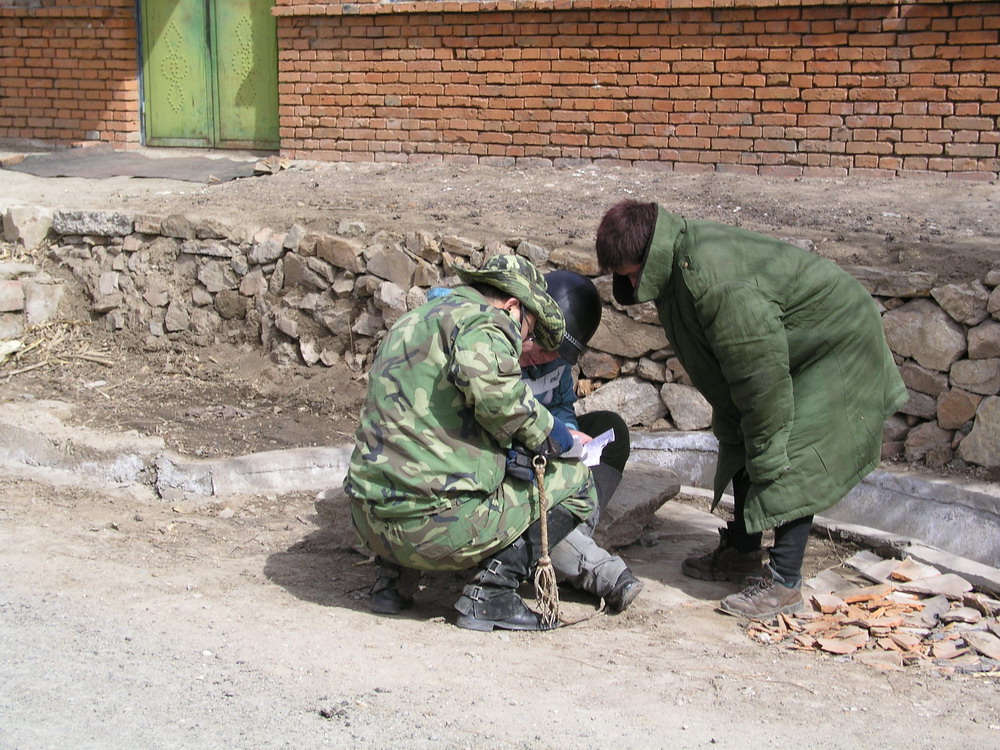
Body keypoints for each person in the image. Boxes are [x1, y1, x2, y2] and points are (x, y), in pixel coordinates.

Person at [595, 200, 908, 619]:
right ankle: (742, 552)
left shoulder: (717, 282)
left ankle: (783, 583)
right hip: (789, 342)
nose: (631, 284)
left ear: (647, 254)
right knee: (737, 427)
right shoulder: (677, 261)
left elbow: (761, 380)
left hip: (837, 341)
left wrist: (766, 442)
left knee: (786, 447)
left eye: (631, 274)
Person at [343, 254, 597, 632]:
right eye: (528, 332)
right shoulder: (486, 323)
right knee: (578, 483)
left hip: (369, 522)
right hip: (432, 532)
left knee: (418, 464)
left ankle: (393, 583)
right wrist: (561, 439)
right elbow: (506, 405)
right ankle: (491, 593)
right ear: (513, 307)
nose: (526, 344)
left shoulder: (414, 320)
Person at [521, 270, 642, 612]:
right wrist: (551, 436)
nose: (544, 359)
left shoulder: (555, 359)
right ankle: (579, 555)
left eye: (554, 353)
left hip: (545, 442)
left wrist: (569, 434)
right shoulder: (496, 350)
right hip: (518, 448)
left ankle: (576, 523)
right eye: (541, 348)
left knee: (611, 429)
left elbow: (561, 403)